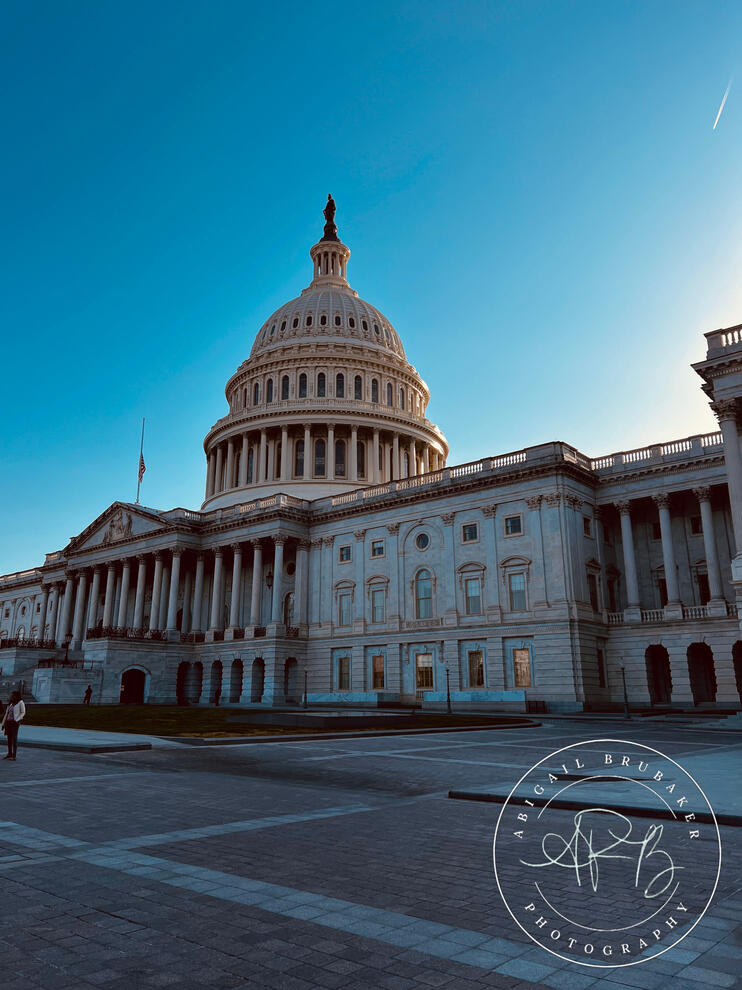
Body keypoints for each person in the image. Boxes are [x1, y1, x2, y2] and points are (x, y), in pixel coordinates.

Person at [1, 691, 25, 761]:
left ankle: (14, 756)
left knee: (14, 739)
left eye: (13, 695)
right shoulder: (11, 703)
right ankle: (9, 754)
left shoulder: (20, 702)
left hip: (14, 723)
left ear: (16, 696)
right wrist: (3, 724)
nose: (12, 696)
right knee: (9, 739)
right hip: (8, 722)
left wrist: (17, 719)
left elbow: (23, 712)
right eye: (12, 695)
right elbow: (6, 714)